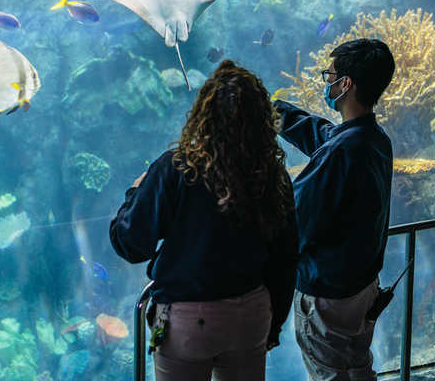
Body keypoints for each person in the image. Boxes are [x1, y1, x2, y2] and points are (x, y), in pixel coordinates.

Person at [110, 60, 298, 381]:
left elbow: (130, 244)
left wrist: (135, 192)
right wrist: (274, 321)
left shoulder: (176, 168)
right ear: (260, 118)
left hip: (189, 322)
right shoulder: (272, 172)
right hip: (252, 315)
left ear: (203, 115)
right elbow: (285, 256)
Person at [274, 38, 395, 381]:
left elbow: (296, 222)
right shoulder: (374, 140)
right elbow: (327, 136)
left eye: (329, 74)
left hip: (328, 296)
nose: (325, 80)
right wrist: (274, 109)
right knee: (359, 368)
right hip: (363, 288)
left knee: (330, 375)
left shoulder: (340, 153)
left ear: (345, 84)